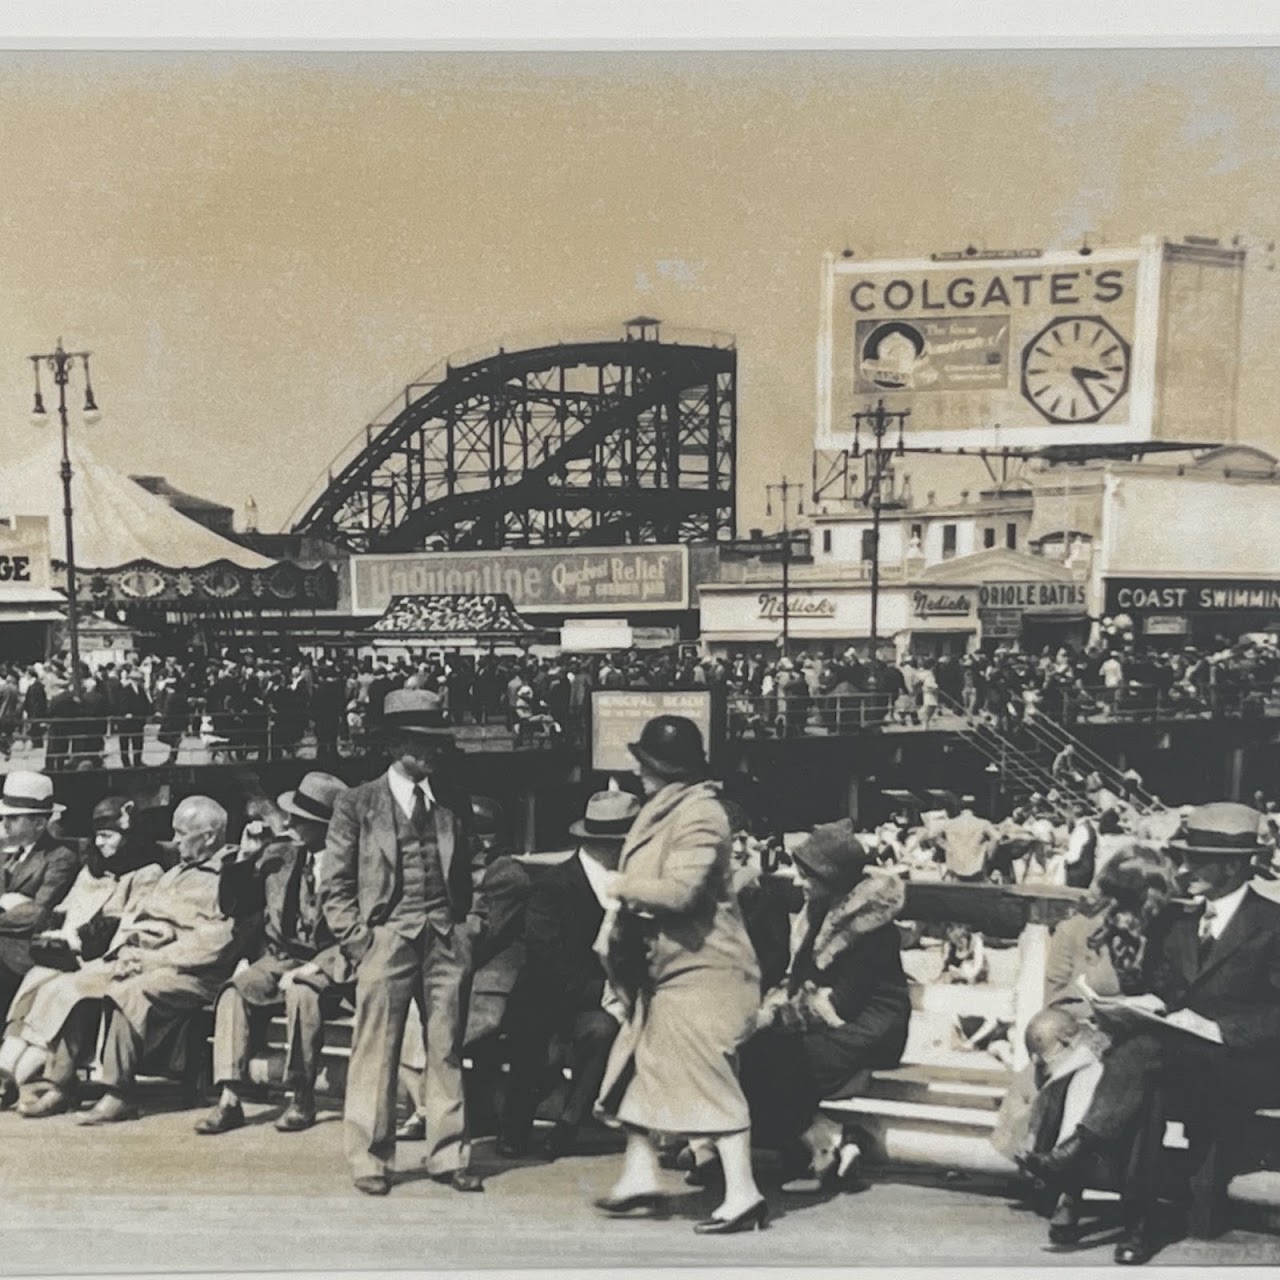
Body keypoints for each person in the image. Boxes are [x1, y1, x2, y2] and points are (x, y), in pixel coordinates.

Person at [1024, 803, 1280, 1265]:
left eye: (1197, 859)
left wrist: (1219, 1029)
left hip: (1248, 1062)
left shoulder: (1273, 923)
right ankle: (1139, 1219)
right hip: (1176, 1054)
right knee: (1147, 1061)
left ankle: (1085, 1156)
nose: (1184, 869)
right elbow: (1160, 986)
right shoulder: (1176, 921)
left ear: (1234, 866)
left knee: (1146, 1056)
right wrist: (1145, 1005)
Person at [593, 715, 767, 1235]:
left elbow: (682, 892)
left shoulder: (701, 815)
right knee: (638, 1071)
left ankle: (744, 1195)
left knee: (710, 1082)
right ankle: (640, 1176)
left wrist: (619, 885)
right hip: (670, 971)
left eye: (646, 763)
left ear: (669, 770)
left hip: (705, 970)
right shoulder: (670, 809)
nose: (638, 771)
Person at [319, 688, 483, 1197]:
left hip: (444, 938)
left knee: (446, 1049)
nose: (431, 753)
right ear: (392, 746)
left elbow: (476, 867)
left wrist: (469, 927)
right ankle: (370, 1157)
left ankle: (449, 1154)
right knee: (375, 1050)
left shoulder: (453, 799)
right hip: (386, 939)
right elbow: (335, 884)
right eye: (419, 744)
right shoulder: (357, 803)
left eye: (435, 743)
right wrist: (361, 943)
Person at [25, 795, 247, 1123]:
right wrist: (127, 953)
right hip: (142, 958)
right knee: (77, 985)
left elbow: (216, 944)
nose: (174, 841)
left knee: (126, 992)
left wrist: (152, 961)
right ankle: (61, 1083)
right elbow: (138, 921)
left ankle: (119, 1094)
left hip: (192, 974)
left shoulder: (230, 877)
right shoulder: (174, 874)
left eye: (181, 833)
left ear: (209, 837)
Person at [739, 819, 910, 1193]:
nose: (797, 881)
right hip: (836, 1022)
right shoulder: (821, 909)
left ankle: (830, 1137)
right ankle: (820, 1142)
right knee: (752, 1053)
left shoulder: (868, 927)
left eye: (805, 875)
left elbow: (840, 1003)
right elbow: (800, 980)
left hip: (870, 1027)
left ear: (831, 878)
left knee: (776, 1061)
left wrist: (771, 1017)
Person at [195, 772, 351, 1137]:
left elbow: (360, 931)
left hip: (334, 963)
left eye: (302, 819)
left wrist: (313, 967)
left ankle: (301, 1094)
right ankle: (230, 1098)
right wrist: (246, 859)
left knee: (301, 991)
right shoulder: (281, 855)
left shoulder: (352, 865)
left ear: (325, 827)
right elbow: (234, 904)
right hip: (281, 957)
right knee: (235, 991)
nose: (291, 822)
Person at [498, 787, 638, 1161]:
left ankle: (570, 1124)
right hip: (546, 1000)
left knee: (603, 1029)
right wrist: (607, 991)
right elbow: (546, 959)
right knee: (536, 1056)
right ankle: (515, 1126)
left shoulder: (629, 885)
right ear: (613, 843)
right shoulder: (555, 885)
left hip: (605, 999)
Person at [0, 796, 164, 1108]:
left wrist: (79, 939)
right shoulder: (96, 868)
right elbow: (65, 907)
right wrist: (60, 933)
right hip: (74, 953)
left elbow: (129, 921)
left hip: (108, 957)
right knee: (36, 981)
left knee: (57, 992)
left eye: (109, 836)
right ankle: (4, 1070)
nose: (101, 843)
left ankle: (16, 1079)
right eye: (98, 836)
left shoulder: (147, 872)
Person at [0, 772, 80, 1020]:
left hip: (23, 952)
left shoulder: (60, 857)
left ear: (40, 823)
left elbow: (38, 914)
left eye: (13, 817)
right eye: (4, 816)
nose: (5, 823)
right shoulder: (7, 854)